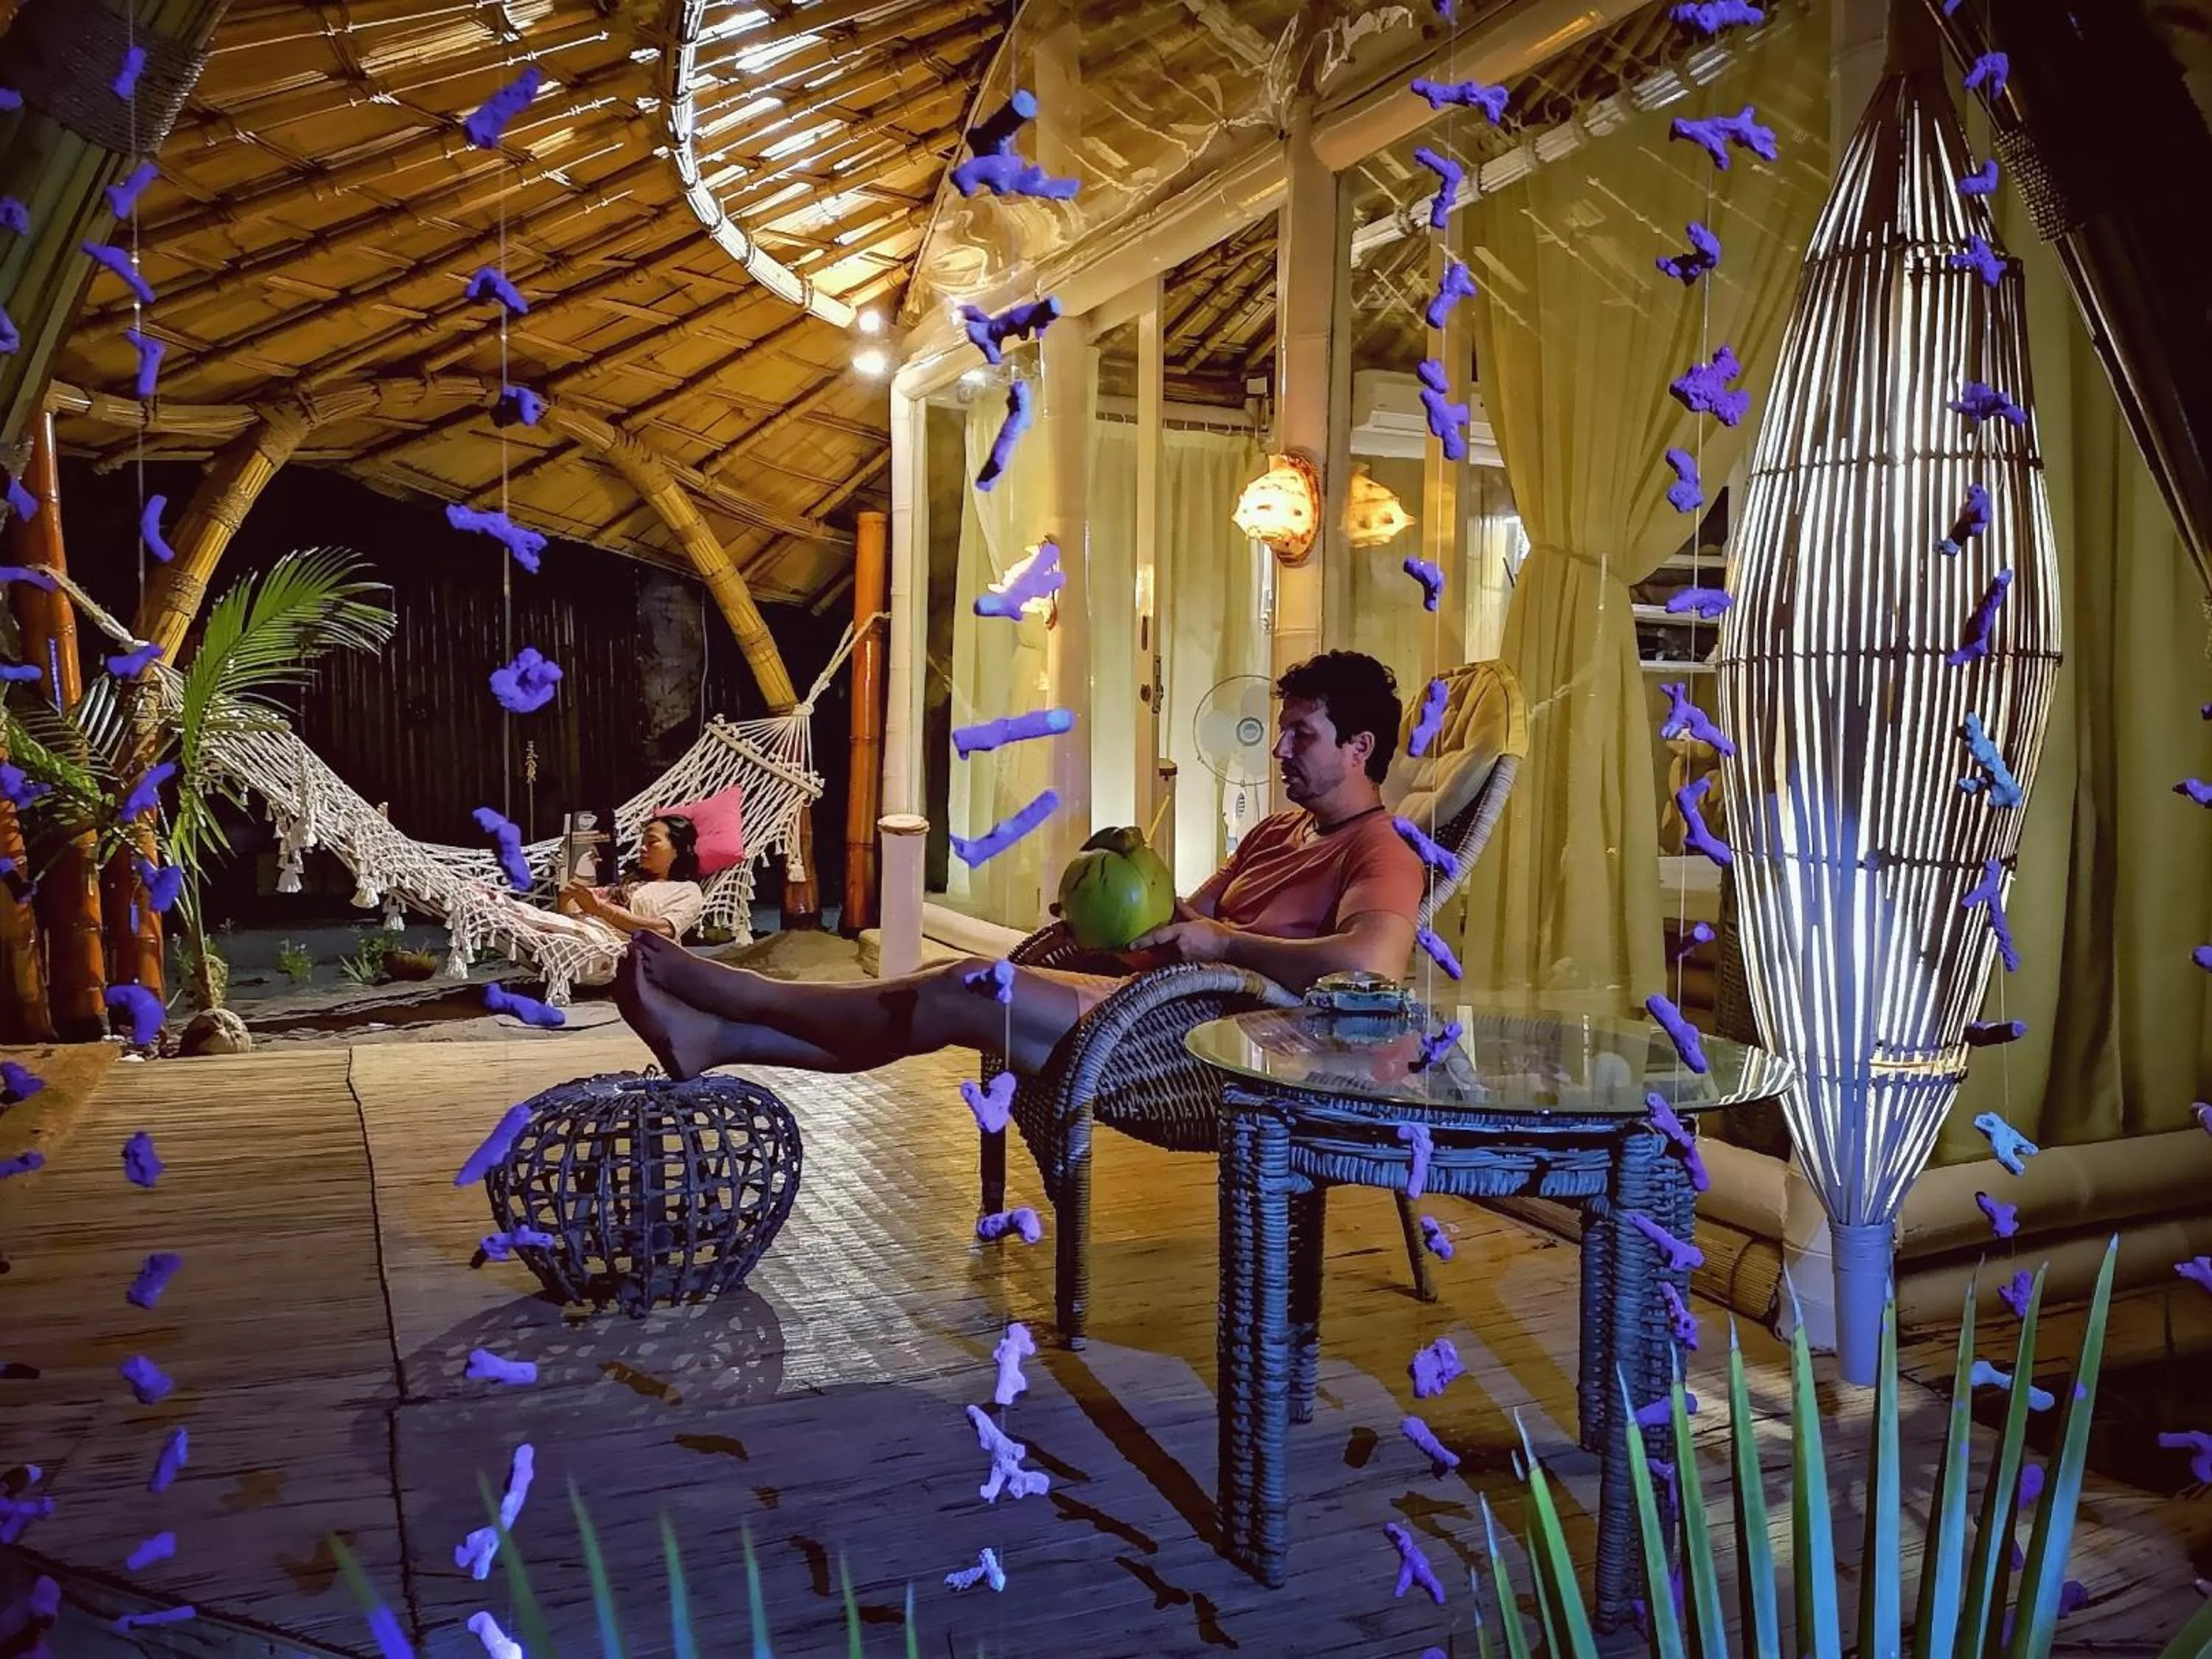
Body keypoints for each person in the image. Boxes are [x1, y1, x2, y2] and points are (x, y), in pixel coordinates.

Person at [614, 651, 1427, 1079]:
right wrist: (1108, 912)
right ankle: (718, 1036)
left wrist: (1221, 944)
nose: (1279, 749)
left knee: (962, 986)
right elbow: (1181, 925)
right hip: (1160, 1003)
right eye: (1282, 730)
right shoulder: (1278, 833)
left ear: (1360, 747)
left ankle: (737, 999)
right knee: (941, 997)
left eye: (1301, 735)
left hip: (1221, 1040)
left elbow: (1372, 965)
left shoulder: (1382, 849)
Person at [537, 815, 705, 983]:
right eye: (642, 843)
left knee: (523, 918)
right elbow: (569, 913)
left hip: (610, 953)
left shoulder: (686, 890)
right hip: (576, 939)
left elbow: (664, 930)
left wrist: (601, 910)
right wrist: (568, 888)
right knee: (526, 922)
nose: (642, 848)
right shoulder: (620, 880)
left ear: (678, 849)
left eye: (652, 842)